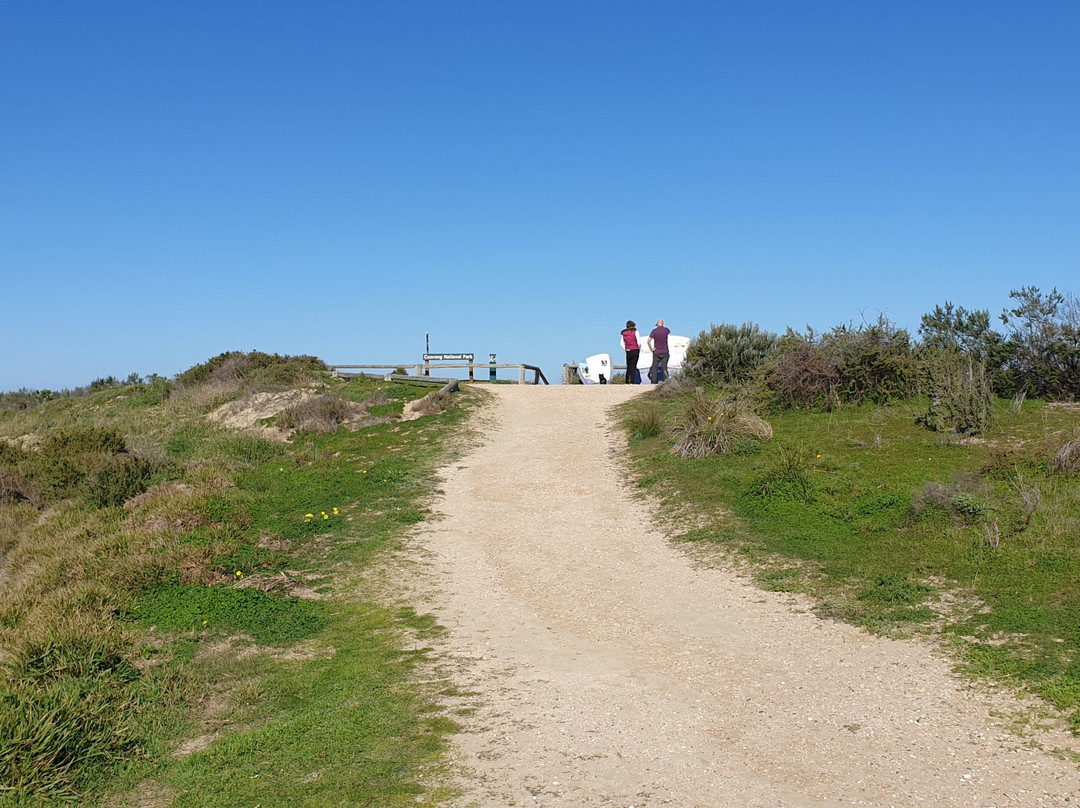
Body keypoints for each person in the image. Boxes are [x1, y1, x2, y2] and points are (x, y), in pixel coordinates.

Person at [648, 318, 671, 383]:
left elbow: (648, 341)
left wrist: (651, 349)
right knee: (664, 368)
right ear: (663, 324)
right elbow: (669, 331)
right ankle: (666, 381)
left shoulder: (654, 331)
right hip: (665, 351)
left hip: (656, 351)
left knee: (654, 367)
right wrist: (663, 326)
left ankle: (653, 381)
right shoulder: (666, 330)